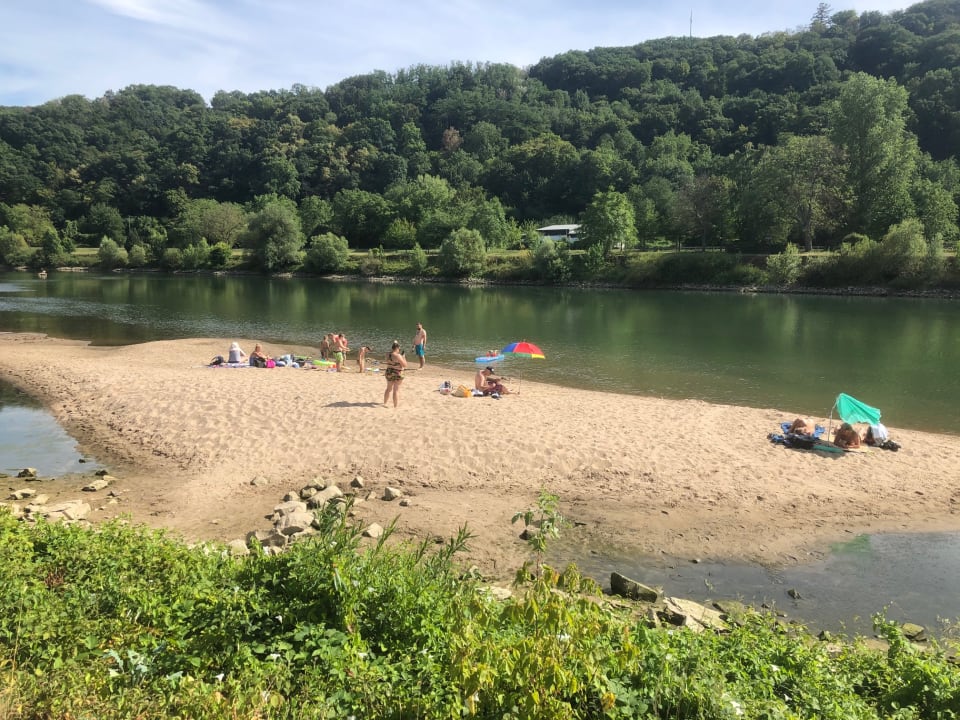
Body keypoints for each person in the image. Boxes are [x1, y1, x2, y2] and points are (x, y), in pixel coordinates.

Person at [383, 340, 407, 408]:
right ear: (397, 348)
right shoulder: (398, 356)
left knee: (388, 388)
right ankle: (395, 406)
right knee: (396, 390)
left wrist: (395, 343)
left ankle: (385, 403)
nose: (399, 350)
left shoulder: (387, 354)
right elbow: (405, 365)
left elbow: (389, 361)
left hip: (389, 372)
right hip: (397, 373)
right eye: (399, 348)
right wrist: (404, 357)